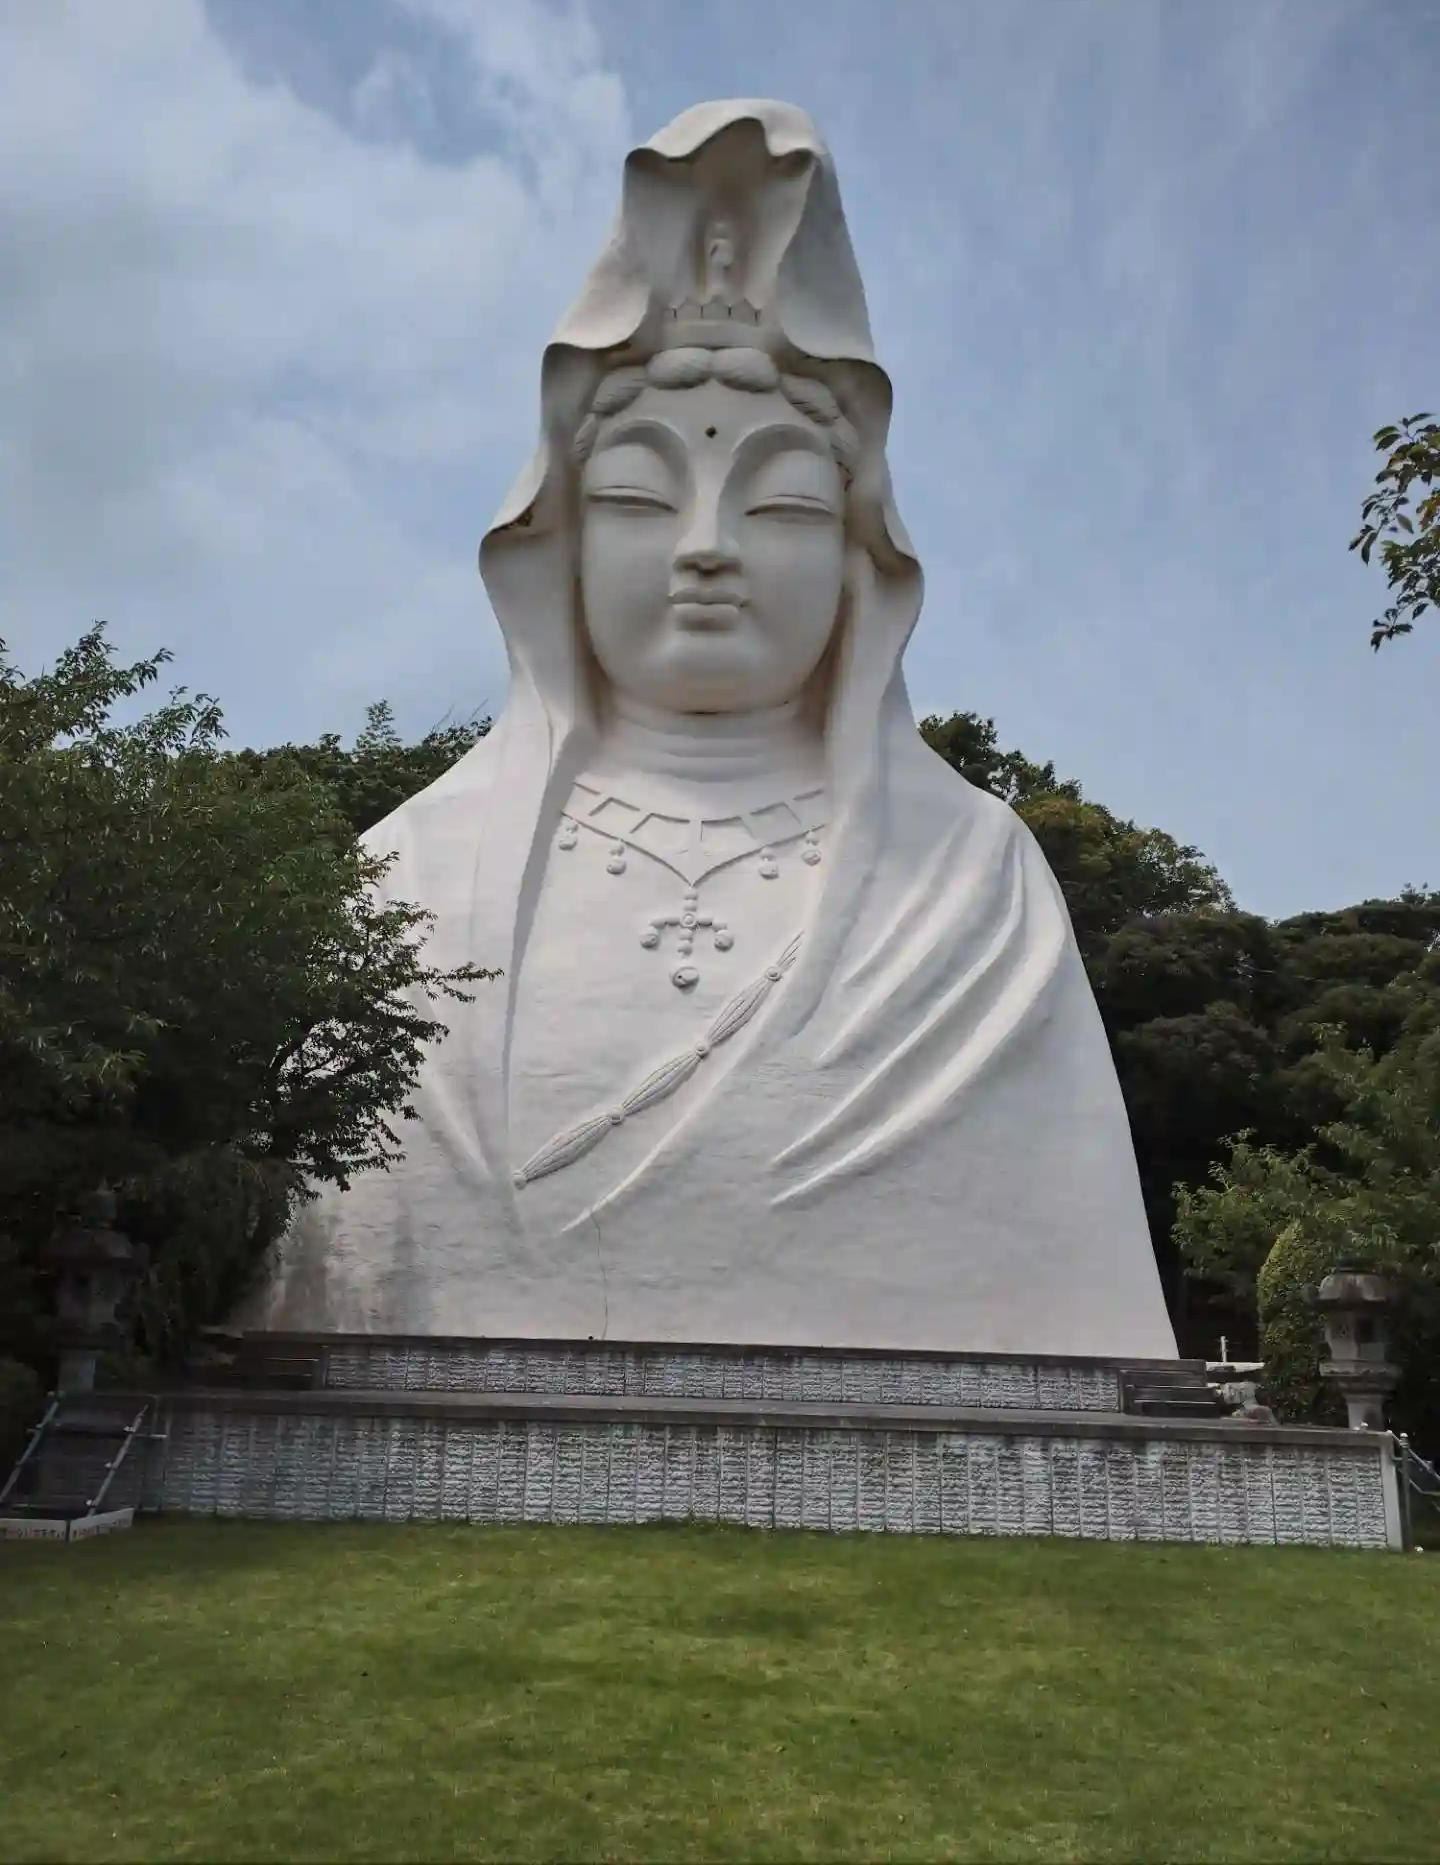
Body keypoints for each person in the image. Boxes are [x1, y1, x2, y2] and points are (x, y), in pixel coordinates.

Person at [246, 101, 1177, 1358]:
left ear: (857, 557)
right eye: (639, 495)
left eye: (781, 504)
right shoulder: (410, 876)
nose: (705, 548)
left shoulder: (973, 881)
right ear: (565, 541)